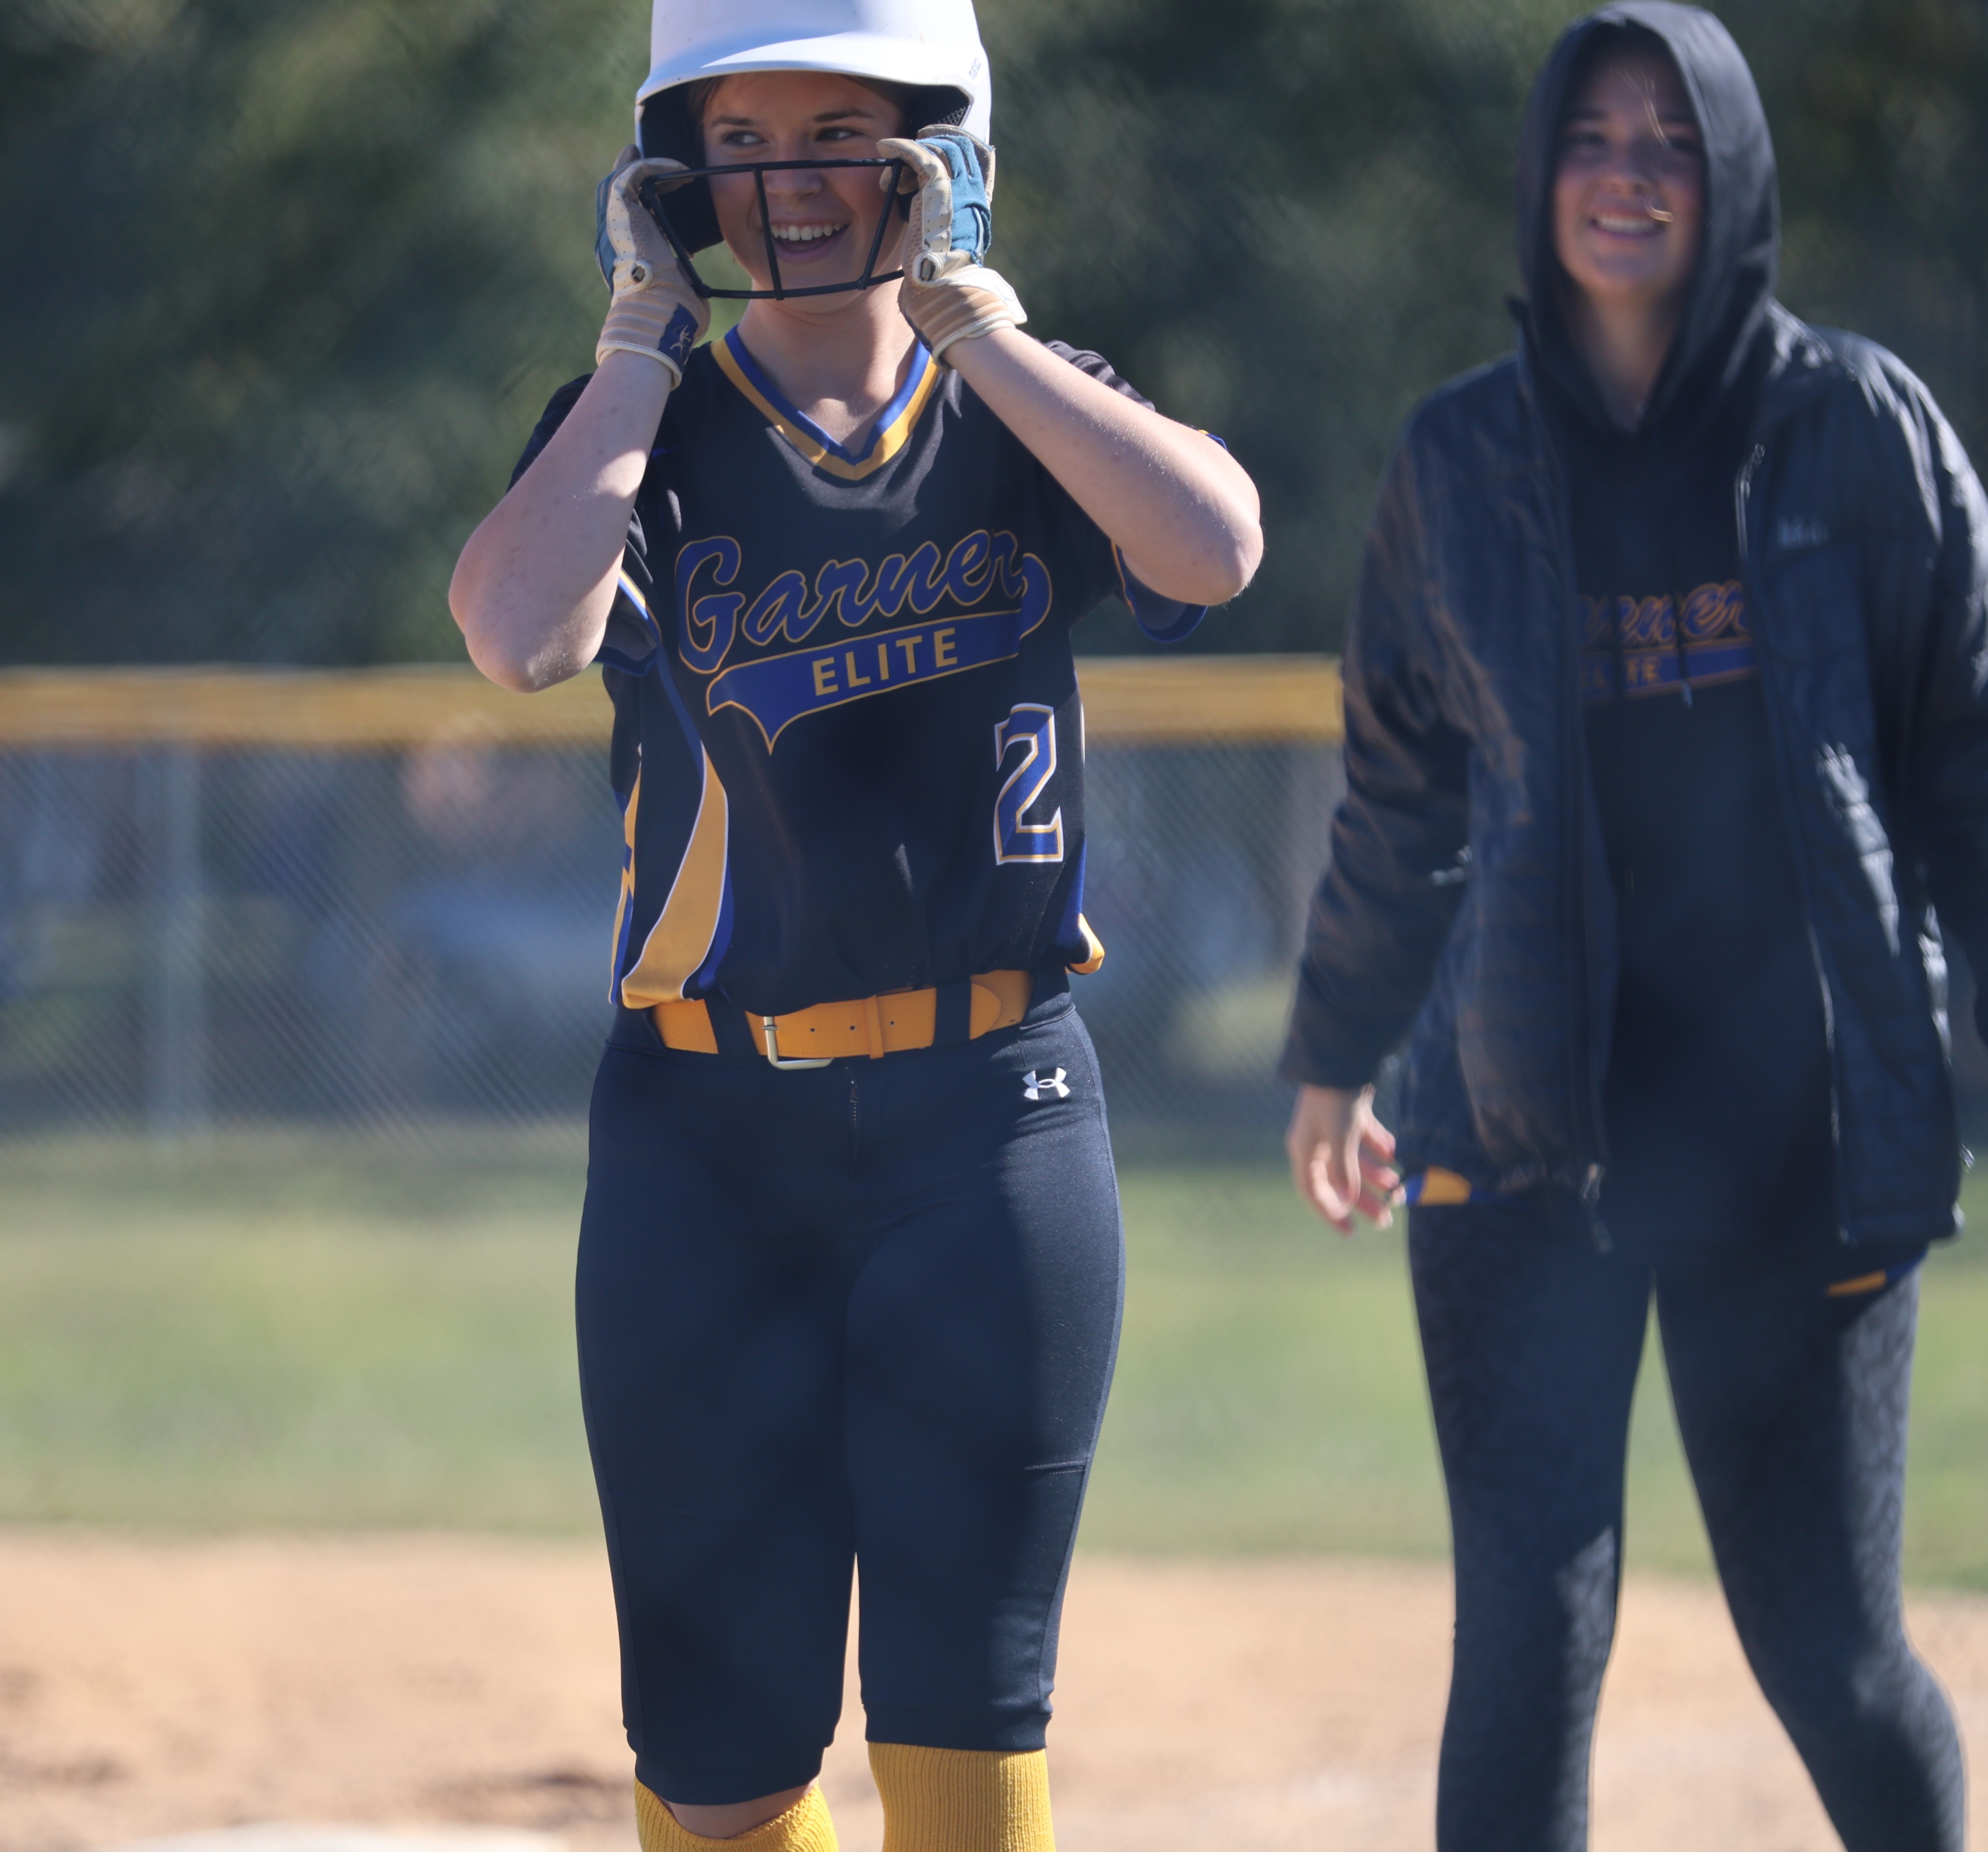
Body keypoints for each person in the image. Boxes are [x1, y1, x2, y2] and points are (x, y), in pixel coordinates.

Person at [1276, 7, 1988, 1849]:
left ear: (1731, 176)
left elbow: (1987, 772)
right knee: (1526, 1636)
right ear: (1539, 175)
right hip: (1518, 1129)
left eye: (1670, 141)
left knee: (1827, 1649)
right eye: (1591, 139)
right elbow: (1400, 793)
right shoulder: (1455, 458)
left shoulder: (1861, 428)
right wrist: (1336, 1050)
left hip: (1792, 1136)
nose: (1627, 175)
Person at [448, 3, 1262, 1848]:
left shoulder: (1024, 401)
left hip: (993, 1126)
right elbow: (516, 634)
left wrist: (981, 324)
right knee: (717, 1773)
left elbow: (1213, 546)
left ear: (936, 151)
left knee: (966, 1727)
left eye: (837, 132)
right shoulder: (641, 429)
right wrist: (636, 347)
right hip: (701, 1140)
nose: (788, 183)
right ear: (677, 176)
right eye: (739, 142)